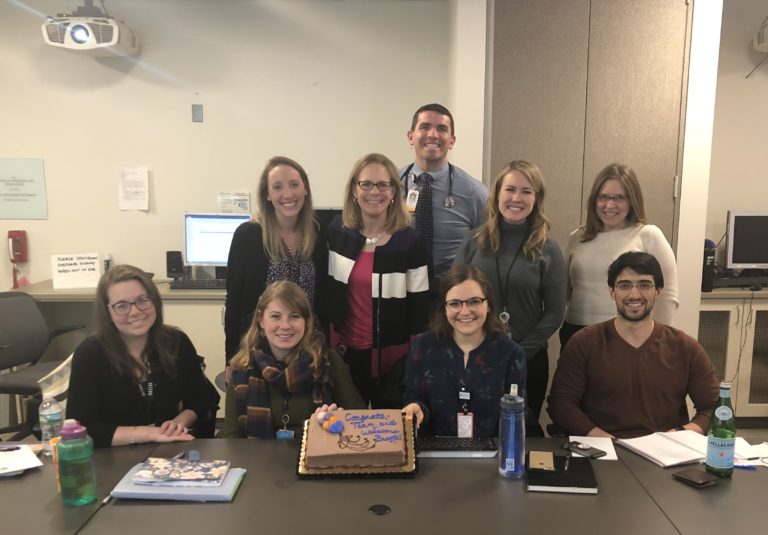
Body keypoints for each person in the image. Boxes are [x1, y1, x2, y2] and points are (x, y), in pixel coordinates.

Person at [547, 252, 719, 439]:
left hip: (665, 453)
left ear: (658, 291)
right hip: (602, 451)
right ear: (612, 292)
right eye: (624, 285)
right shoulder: (585, 342)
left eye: (644, 285)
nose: (634, 294)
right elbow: (561, 404)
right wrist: (606, 440)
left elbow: (715, 409)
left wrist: (677, 435)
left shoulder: (685, 347)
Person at [454, 160, 566, 434]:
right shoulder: (473, 241)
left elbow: (554, 312)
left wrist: (518, 353)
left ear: (536, 199)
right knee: (474, 433)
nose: (517, 198)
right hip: (474, 358)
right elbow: (454, 298)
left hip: (528, 362)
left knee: (520, 436)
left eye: (527, 191)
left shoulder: (548, 249)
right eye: (510, 189)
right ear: (497, 194)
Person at [67, 265, 220, 448]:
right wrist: (150, 434)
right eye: (122, 306)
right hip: (112, 453)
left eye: (142, 300)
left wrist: (178, 423)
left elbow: (201, 400)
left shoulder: (176, 342)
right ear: (108, 313)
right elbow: (81, 429)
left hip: (169, 450)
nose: (135, 311)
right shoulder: (91, 354)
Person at [324, 153, 430, 408]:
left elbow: (420, 308)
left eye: (383, 184)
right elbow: (328, 295)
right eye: (366, 184)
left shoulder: (409, 241)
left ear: (394, 191)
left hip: (395, 358)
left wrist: (416, 358)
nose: (375, 192)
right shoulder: (338, 233)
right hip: (346, 354)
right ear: (354, 190)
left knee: (391, 435)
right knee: (348, 435)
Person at [221, 280, 364, 438]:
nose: (285, 325)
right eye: (276, 316)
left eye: (294, 316)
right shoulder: (242, 368)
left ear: (306, 321)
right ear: (261, 320)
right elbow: (231, 438)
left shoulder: (329, 361)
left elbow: (360, 422)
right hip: (258, 460)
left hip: (316, 457)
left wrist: (340, 422)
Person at [225, 156, 327, 375]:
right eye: (277, 187)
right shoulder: (248, 236)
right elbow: (233, 303)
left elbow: (323, 301)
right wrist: (231, 358)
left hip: (307, 351)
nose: (287, 194)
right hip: (258, 352)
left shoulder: (317, 235)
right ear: (268, 195)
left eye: (294, 184)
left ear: (305, 189)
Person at [560, 163, 679, 349]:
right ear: (594, 200)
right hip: (576, 331)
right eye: (603, 197)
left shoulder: (648, 236)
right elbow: (565, 290)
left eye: (620, 198)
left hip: (628, 333)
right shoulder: (577, 237)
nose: (609, 205)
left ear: (632, 201)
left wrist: (659, 340)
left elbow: (667, 297)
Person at [403, 265, 527, 438]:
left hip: (492, 453)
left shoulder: (511, 354)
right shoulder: (423, 347)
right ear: (445, 309)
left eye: (474, 301)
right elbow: (414, 397)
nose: (465, 311)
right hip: (434, 451)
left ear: (489, 305)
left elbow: (516, 415)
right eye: (455, 303)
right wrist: (415, 408)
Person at [401, 103, 488, 281]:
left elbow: (487, 249)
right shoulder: (391, 185)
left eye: (441, 129)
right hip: (399, 288)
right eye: (424, 127)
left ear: (452, 141)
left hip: (451, 294)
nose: (433, 134)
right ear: (411, 136)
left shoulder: (475, 193)